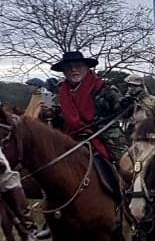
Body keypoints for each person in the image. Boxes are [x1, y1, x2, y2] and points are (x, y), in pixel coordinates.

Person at [48, 51, 131, 191]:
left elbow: (121, 106)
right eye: (68, 67)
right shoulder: (60, 94)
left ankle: (134, 197)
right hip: (72, 136)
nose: (73, 70)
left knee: (127, 166)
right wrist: (50, 115)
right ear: (64, 72)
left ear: (86, 68)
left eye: (78, 66)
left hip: (105, 134)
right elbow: (60, 119)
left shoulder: (104, 88)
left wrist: (125, 104)